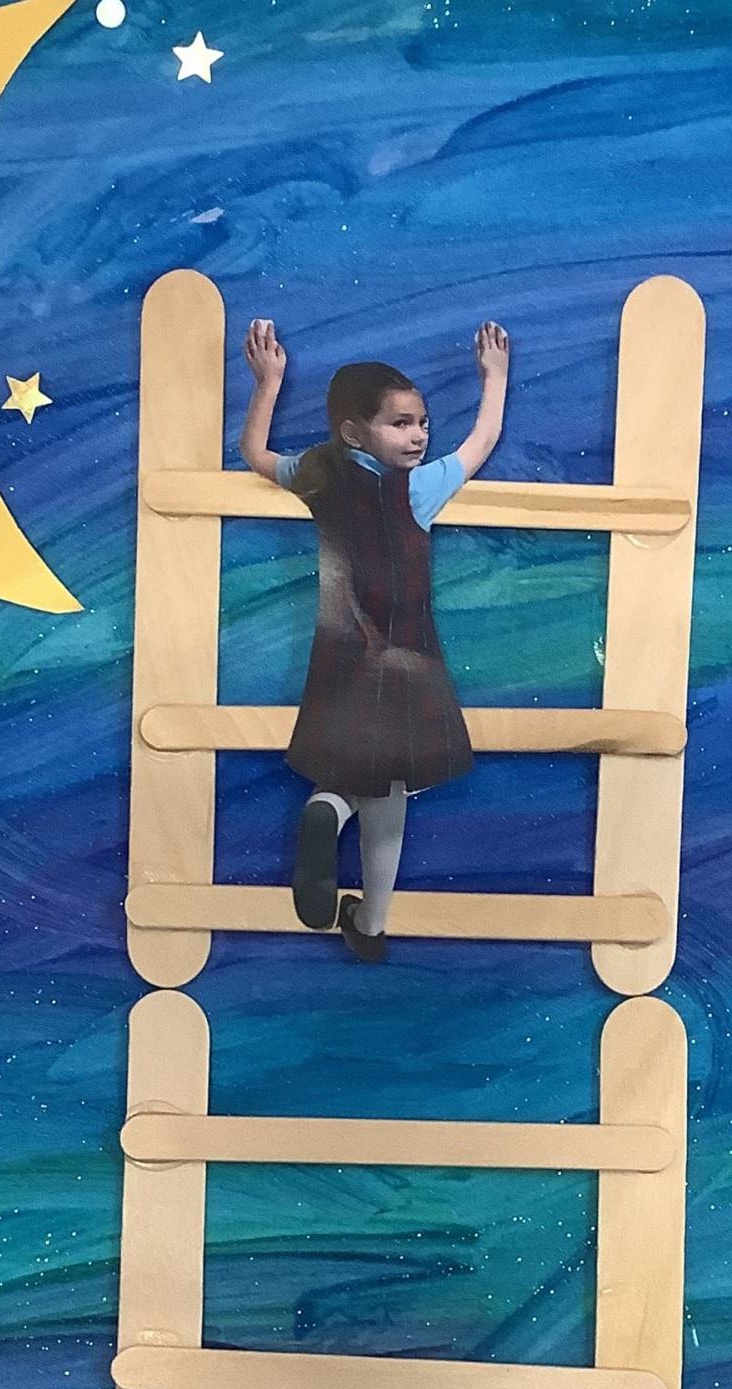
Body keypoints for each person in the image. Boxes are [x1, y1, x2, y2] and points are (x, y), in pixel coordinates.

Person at [238, 317, 510, 962]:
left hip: (339, 658)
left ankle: (340, 842)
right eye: (400, 424)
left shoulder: (319, 474)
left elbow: (254, 453)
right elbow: (483, 441)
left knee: (374, 781)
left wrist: (267, 384)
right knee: (391, 786)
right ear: (354, 431)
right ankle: (359, 889)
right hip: (408, 659)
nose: (418, 436)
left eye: (422, 423)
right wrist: (494, 378)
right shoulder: (417, 488)